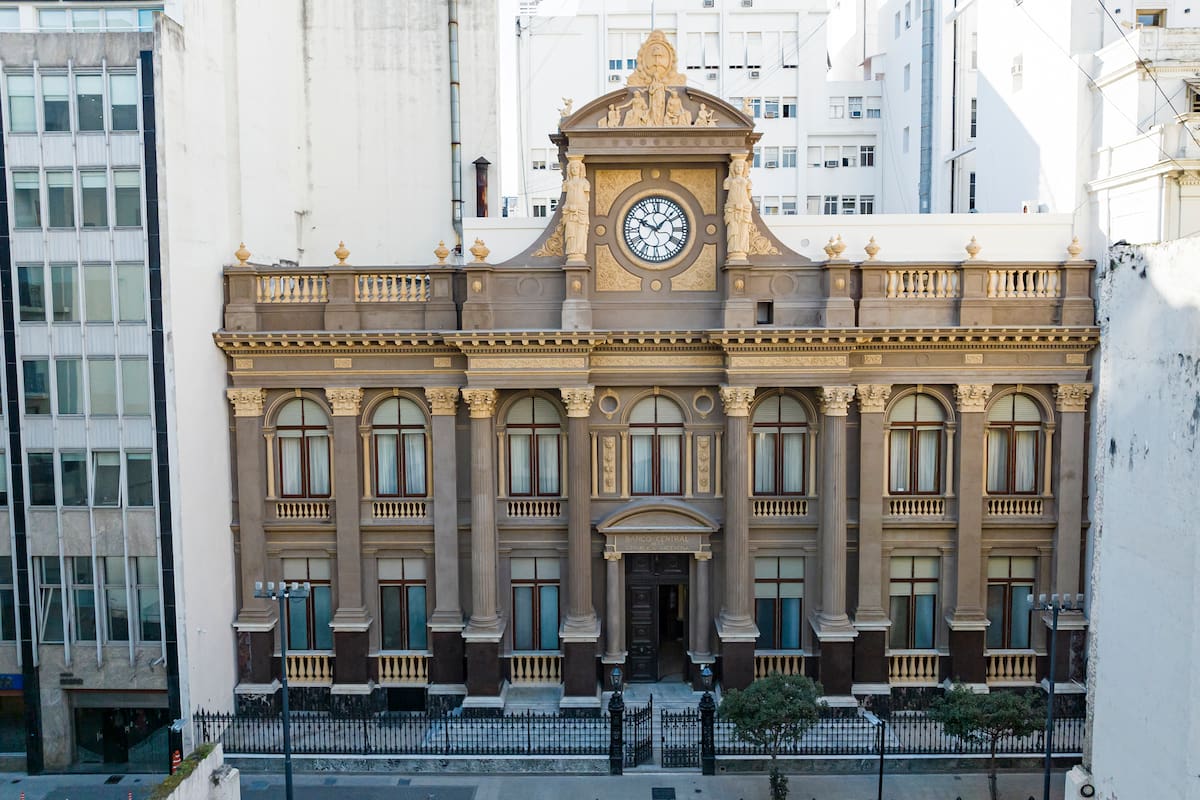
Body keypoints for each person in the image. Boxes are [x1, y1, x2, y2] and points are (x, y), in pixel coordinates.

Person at [724, 157, 753, 257]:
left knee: (743, 231)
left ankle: (740, 251)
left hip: (744, 209)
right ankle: (734, 250)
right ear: (733, 168)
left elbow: (748, 196)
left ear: (744, 168)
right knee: (733, 230)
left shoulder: (747, 181)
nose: (739, 168)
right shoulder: (728, 181)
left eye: (741, 167)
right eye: (737, 166)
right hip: (731, 209)